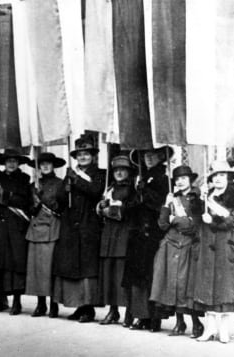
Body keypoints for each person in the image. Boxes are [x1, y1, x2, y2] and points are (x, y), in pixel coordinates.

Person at [192, 160, 234, 343]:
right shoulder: (205, 197)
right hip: (206, 245)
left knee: (224, 289)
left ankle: (223, 330)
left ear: (229, 178)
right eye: (215, 176)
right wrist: (201, 202)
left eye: (222, 175)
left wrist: (213, 222)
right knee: (207, 287)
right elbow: (195, 217)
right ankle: (209, 329)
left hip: (225, 245)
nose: (218, 179)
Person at [53, 137, 106, 323]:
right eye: (80, 154)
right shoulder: (71, 174)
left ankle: (88, 308)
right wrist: (66, 185)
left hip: (89, 225)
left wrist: (76, 182)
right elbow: (60, 199)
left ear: (92, 156)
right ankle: (78, 306)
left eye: (86, 154)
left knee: (87, 269)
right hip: (71, 226)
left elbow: (95, 191)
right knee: (73, 267)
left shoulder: (100, 174)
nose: (83, 157)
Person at [150, 165, 205, 338]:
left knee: (186, 285)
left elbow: (192, 226)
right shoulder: (172, 197)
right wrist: (167, 206)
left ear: (190, 180)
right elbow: (163, 224)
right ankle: (179, 322)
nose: (180, 182)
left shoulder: (198, 197)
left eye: (184, 178)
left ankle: (196, 323)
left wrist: (177, 219)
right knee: (172, 283)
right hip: (171, 244)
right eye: (177, 179)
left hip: (189, 245)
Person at [122, 147, 170, 332]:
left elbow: (162, 205)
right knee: (138, 277)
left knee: (152, 276)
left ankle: (155, 318)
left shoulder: (165, 180)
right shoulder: (139, 178)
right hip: (138, 232)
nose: (148, 159)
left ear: (160, 157)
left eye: (152, 155)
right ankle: (141, 316)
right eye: (145, 156)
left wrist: (147, 193)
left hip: (154, 233)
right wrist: (136, 196)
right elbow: (129, 205)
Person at [0, 149, 32, 315]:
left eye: (14, 161)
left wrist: (5, 196)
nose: (11, 163)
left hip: (15, 225)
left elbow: (24, 201)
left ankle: (17, 301)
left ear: (18, 163)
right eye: (8, 161)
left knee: (15, 264)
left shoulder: (24, 179)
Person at [96, 155, 138, 325]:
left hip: (124, 234)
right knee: (109, 274)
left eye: (123, 170)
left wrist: (110, 210)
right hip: (109, 235)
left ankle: (128, 311)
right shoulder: (109, 188)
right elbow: (101, 208)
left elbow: (129, 209)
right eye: (116, 170)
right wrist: (101, 206)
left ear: (128, 172)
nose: (119, 173)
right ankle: (113, 311)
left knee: (122, 275)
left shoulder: (133, 189)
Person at [25, 152, 67, 318]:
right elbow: (29, 210)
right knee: (37, 269)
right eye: (42, 164)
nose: (45, 167)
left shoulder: (60, 184)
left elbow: (62, 207)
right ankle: (40, 303)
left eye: (48, 164)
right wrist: (34, 203)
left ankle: (53, 304)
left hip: (52, 228)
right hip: (36, 230)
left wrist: (44, 199)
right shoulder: (33, 184)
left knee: (49, 269)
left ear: (53, 165)